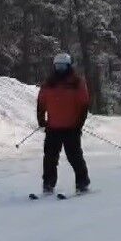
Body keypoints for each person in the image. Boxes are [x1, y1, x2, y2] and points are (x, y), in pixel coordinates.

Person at [36, 52, 91, 195]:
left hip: (71, 128)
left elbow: (84, 104)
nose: (60, 69)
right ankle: (48, 184)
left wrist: (79, 123)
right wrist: (41, 119)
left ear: (69, 66)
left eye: (63, 66)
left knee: (74, 156)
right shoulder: (49, 83)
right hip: (53, 128)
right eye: (57, 66)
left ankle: (82, 183)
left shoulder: (77, 82)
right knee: (49, 158)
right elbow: (41, 102)